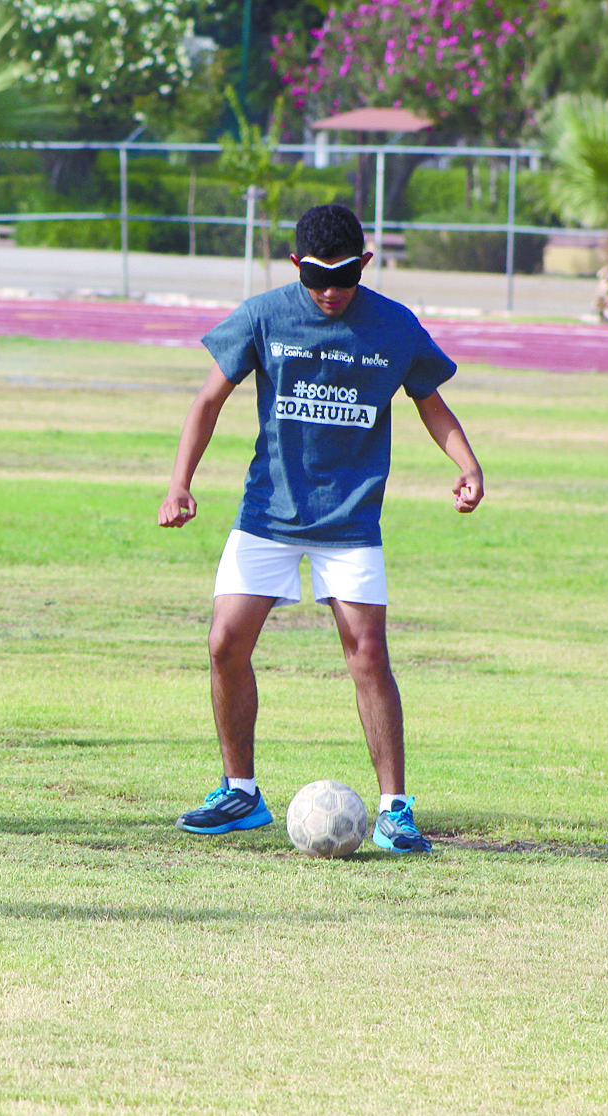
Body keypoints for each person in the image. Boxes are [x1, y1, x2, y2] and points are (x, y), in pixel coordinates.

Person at [157, 203, 484, 853]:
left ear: (365, 265)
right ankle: (240, 793)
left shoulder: (393, 326)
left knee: (367, 654)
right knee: (224, 643)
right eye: (314, 278)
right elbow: (206, 400)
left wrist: (467, 464)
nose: (329, 292)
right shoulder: (264, 316)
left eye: (342, 278)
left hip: (350, 519)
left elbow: (431, 403)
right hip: (267, 514)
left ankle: (395, 809)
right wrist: (179, 482)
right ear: (294, 267)